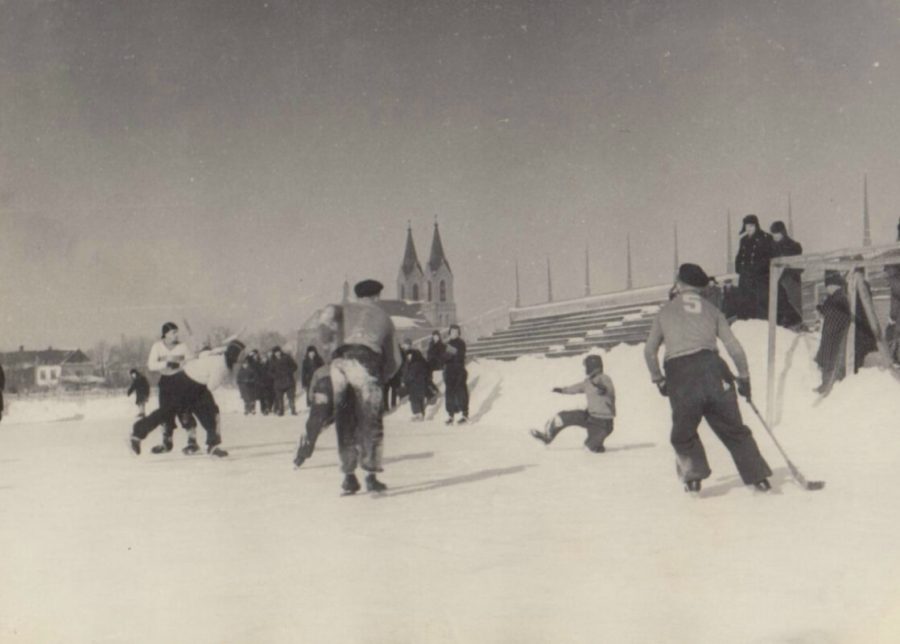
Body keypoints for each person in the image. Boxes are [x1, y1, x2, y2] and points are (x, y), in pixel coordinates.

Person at [644, 263, 772, 494]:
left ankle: (693, 478)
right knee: (734, 429)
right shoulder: (713, 310)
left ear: (679, 284)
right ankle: (759, 477)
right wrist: (744, 377)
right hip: (714, 369)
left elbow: (649, 350)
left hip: (680, 373)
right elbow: (734, 347)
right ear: (701, 287)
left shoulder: (665, 312)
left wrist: (659, 379)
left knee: (684, 431)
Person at [324, 279, 401, 494]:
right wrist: (381, 378)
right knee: (370, 421)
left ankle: (349, 478)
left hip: (339, 364)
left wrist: (331, 357)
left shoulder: (341, 310)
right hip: (366, 362)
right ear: (376, 297)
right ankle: (370, 476)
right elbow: (395, 359)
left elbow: (324, 331)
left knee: (344, 419)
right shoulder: (383, 317)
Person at [131, 339, 245, 457]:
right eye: (239, 358)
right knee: (210, 412)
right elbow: (211, 386)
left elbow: (203, 354)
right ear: (234, 357)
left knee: (167, 412)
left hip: (183, 380)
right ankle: (212, 445)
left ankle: (137, 434)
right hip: (191, 386)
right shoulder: (222, 367)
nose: (239, 361)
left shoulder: (213, 355)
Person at [530, 354, 616, 452]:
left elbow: (609, 388)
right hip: (590, 416)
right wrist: (563, 390)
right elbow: (576, 388)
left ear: (592, 366)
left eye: (586, 366)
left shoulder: (604, 378)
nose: (585, 369)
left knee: (589, 448)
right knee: (562, 417)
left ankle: (596, 446)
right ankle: (547, 437)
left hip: (603, 423)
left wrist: (604, 389)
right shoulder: (588, 382)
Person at [814, 271, 877, 394]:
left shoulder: (839, 297)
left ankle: (827, 387)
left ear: (831, 286)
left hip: (833, 335)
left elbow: (835, 309)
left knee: (831, 363)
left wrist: (821, 309)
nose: (827, 289)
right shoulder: (839, 296)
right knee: (831, 362)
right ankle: (829, 386)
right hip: (832, 334)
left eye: (828, 286)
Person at [145, 322, 199, 454]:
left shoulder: (183, 346)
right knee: (165, 412)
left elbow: (191, 360)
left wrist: (183, 364)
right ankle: (166, 443)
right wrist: (167, 364)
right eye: (173, 332)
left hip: (181, 380)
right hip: (166, 382)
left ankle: (192, 442)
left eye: (177, 332)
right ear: (166, 334)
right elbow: (151, 365)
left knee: (184, 410)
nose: (176, 335)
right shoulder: (157, 346)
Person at [293, 364, 336, 468]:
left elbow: (312, 388)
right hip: (333, 399)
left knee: (314, 427)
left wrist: (312, 398)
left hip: (322, 398)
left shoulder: (320, 370)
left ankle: (302, 454)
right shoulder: (346, 369)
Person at [735, 214, 775, 320]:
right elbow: (739, 256)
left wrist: (757, 270)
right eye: (747, 226)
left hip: (759, 279)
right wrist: (739, 269)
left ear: (756, 226)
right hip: (745, 278)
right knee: (744, 305)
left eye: (751, 226)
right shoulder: (743, 240)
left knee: (760, 306)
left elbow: (768, 258)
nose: (749, 229)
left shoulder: (765, 238)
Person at [770, 221, 804, 328]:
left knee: (793, 304)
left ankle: (795, 325)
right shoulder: (771, 247)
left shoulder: (793, 246)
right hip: (778, 280)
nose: (775, 236)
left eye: (777, 233)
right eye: (773, 234)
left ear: (782, 232)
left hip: (790, 280)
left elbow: (798, 265)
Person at [442, 324, 469, 424]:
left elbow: (460, 356)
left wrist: (450, 353)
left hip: (459, 371)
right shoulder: (448, 343)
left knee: (461, 392)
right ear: (449, 333)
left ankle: (465, 415)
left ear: (459, 333)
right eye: (452, 331)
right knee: (449, 394)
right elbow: (444, 358)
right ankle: (450, 415)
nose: (454, 333)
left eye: (456, 332)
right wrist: (449, 354)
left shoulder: (461, 343)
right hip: (449, 372)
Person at [400, 338, 430, 421]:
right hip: (419, 378)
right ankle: (420, 413)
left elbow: (408, 368)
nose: (404, 346)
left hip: (414, 379)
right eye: (404, 344)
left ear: (409, 345)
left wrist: (405, 379)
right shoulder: (416, 354)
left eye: (405, 345)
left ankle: (418, 414)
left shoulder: (410, 354)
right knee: (418, 396)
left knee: (414, 397)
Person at [269, 346, 299, 416]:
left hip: (289, 381)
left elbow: (295, 366)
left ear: (280, 351)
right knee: (280, 398)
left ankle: (293, 410)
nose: (277, 354)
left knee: (291, 397)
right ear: (274, 353)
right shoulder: (272, 360)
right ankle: (281, 411)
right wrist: (275, 376)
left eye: (278, 352)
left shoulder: (287, 357)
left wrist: (289, 372)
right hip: (278, 382)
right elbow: (270, 371)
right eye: (276, 352)